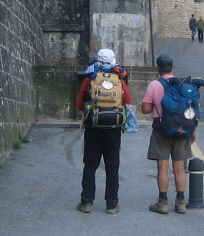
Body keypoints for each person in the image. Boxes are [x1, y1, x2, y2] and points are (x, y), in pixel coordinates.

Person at [76, 48, 132, 214]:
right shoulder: (119, 78)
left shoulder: (91, 77)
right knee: (112, 167)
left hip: (93, 127)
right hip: (113, 128)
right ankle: (112, 204)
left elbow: (79, 104)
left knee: (90, 166)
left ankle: (86, 202)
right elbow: (128, 102)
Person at [141, 54, 193, 214]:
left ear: (158, 68)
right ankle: (181, 202)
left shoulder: (154, 85)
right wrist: (194, 131)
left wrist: (157, 105)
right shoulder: (183, 85)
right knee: (180, 168)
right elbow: (191, 110)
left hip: (161, 129)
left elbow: (145, 109)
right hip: (182, 128)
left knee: (162, 166)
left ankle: (163, 202)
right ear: (173, 67)